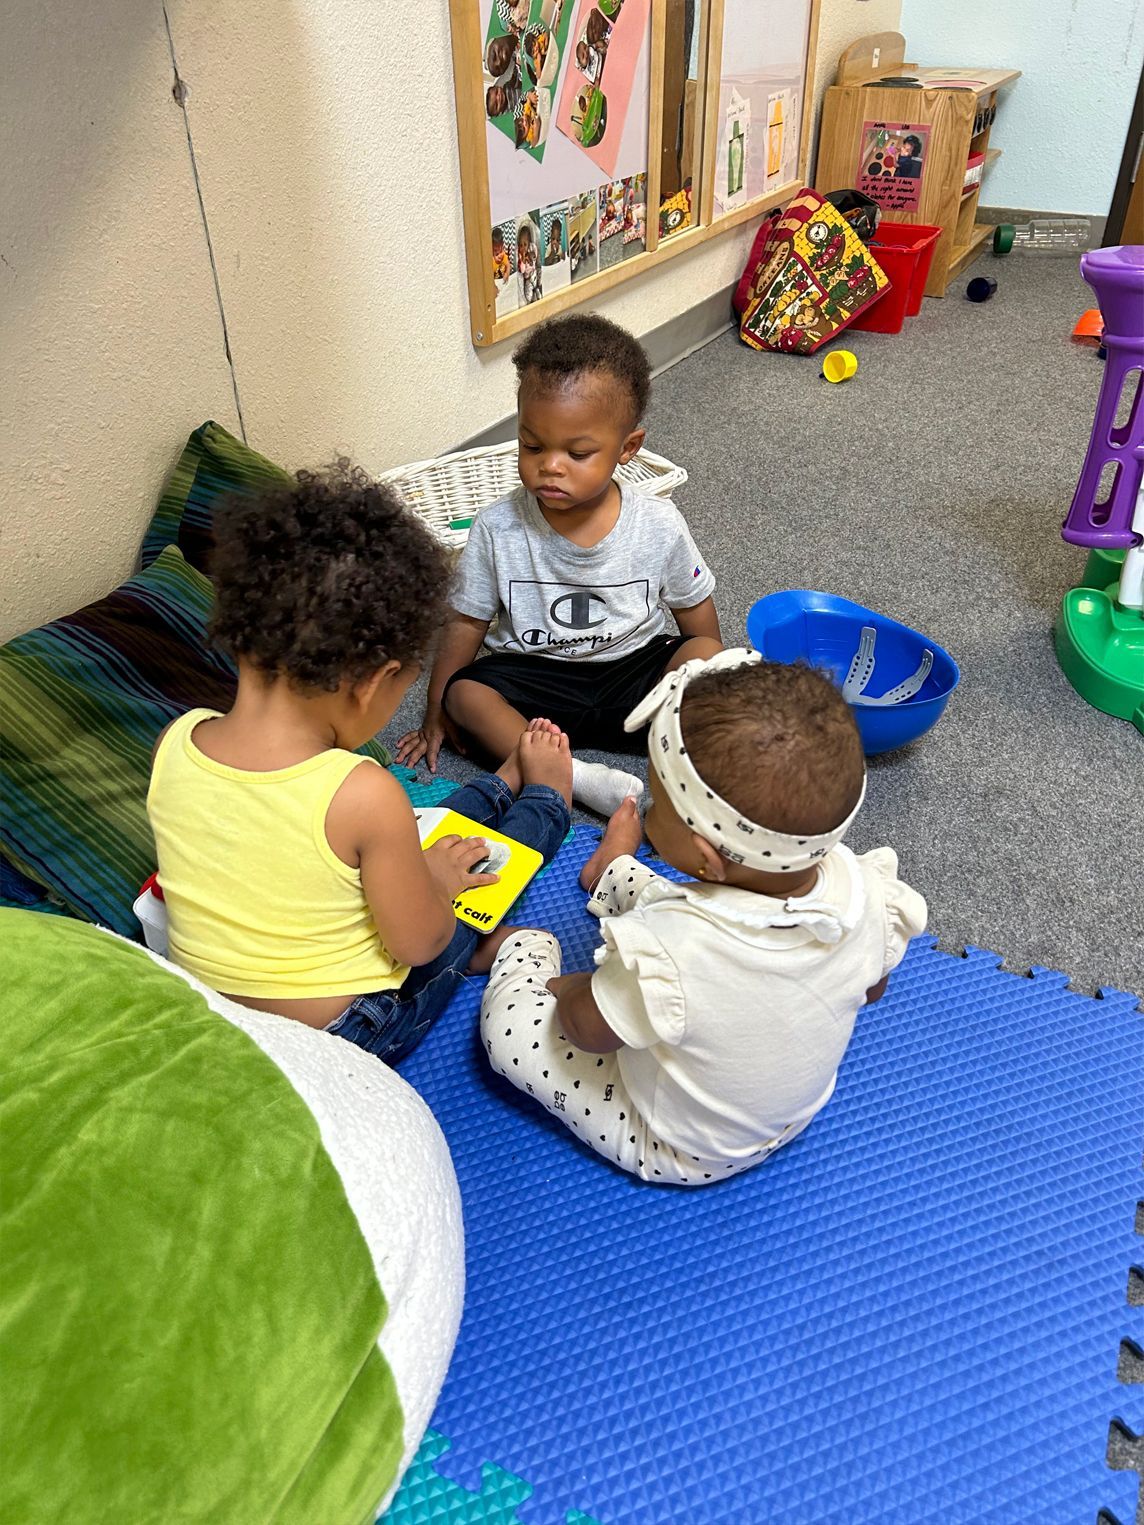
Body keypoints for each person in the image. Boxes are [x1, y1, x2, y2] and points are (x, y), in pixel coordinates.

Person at [147, 464, 572, 1062]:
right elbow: (420, 941)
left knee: (403, 838)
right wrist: (441, 885)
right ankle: (545, 799)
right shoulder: (362, 789)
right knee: (460, 888)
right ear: (374, 684)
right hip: (343, 1034)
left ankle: (499, 786)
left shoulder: (178, 739)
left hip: (219, 1020)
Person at [479, 652, 928, 1185]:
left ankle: (523, 947)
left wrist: (578, 987)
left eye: (656, 810)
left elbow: (588, 1032)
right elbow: (869, 990)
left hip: (681, 1146)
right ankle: (610, 871)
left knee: (506, 1034)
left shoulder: (674, 948)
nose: (648, 814)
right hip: (791, 1117)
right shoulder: (864, 889)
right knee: (694, 910)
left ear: (706, 858)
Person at [395, 313, 722, 817]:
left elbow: (695, 606)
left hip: (631, 675)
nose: (550, 465)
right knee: (466, 695)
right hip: (536, 680)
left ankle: (659, 744)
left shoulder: (657, 521)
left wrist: (709, 682)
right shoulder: (497, 526)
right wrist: (435, 712)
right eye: (533, 445)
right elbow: (465, 621)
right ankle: (576, 776)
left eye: (578, 452)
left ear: (627, 449)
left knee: (703, 656)